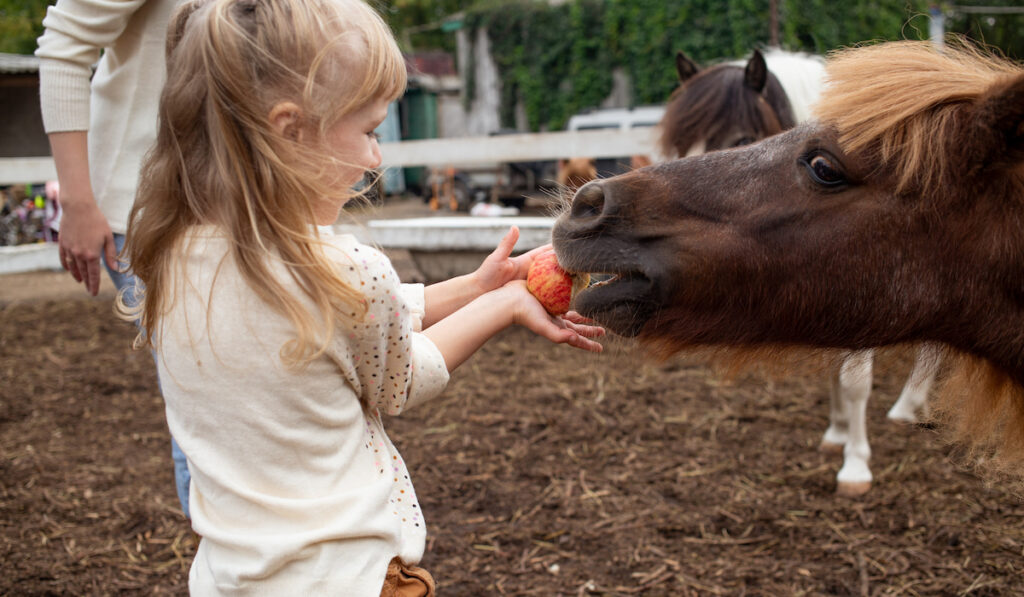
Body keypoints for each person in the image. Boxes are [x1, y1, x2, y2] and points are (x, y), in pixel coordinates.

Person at [120, 0, 604, 594]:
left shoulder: (166, 262)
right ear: (288, 129)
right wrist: (500, 306)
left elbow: (369, 311)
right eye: (369, 130)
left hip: (230, 580)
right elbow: (401, 380)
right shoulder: (346, 269)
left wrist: (479, 284)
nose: (377, 156)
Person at [35, 0, 192, 517]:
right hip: (148, 205)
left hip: (249, 199)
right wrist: (78, 201)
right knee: (207, 400)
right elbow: (64, 46)